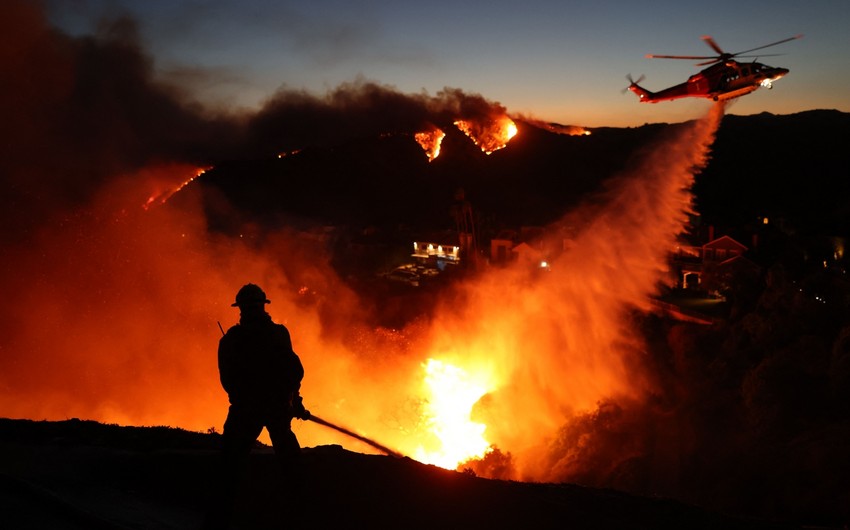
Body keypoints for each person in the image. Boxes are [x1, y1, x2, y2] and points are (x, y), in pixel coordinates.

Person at [203, 283, 310, 529]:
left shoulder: (232, 339)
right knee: (290, 462)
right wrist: (292, 400)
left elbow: (228, 380)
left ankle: (219, 520)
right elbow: (293, 373)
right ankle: (301, 513)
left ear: (240, 309)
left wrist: (290, 399)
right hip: (272, 408)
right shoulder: (278, 334)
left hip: (246, 411)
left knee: (230, 467)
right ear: (264, 306)